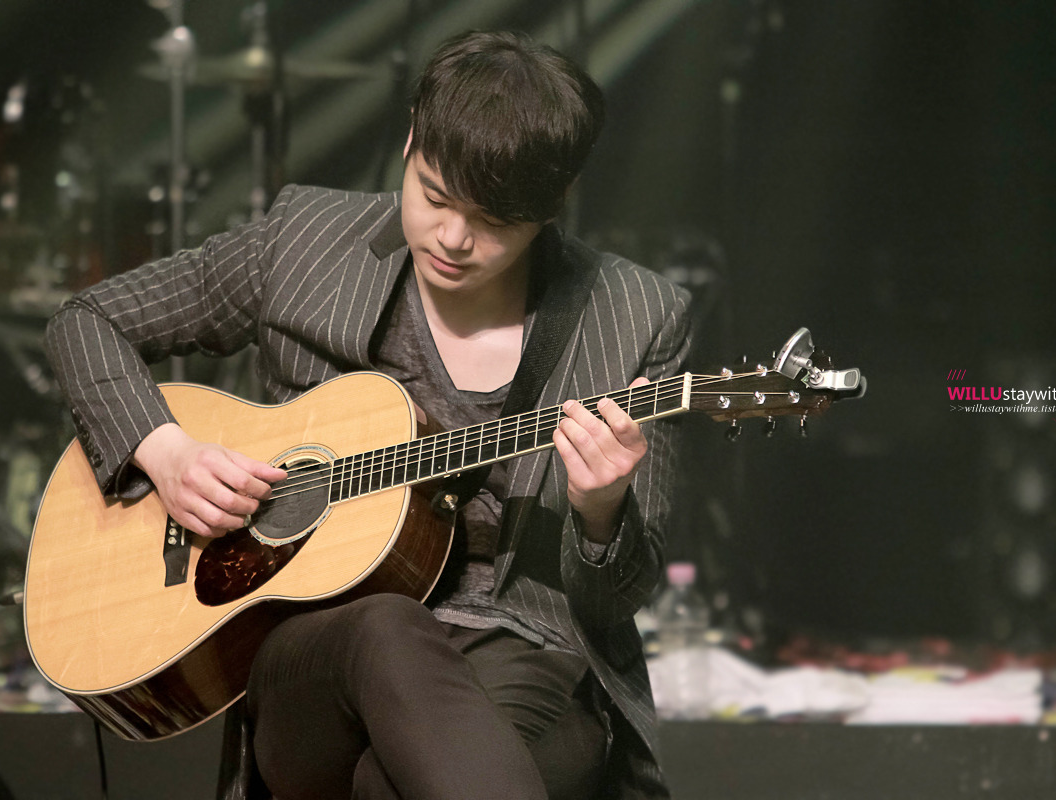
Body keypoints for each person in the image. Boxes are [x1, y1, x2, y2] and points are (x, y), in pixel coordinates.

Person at [46, 30, 691, 800]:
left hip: (517, 651)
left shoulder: (634, 317)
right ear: (412, 139)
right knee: (386, 624)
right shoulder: (309, 242)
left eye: (493, 222)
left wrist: (601, 513)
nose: (453, 239)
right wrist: (166, 451)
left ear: (554, 205)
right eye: (435, 196)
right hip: (318, 661)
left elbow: (617, 600)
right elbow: (89, 322)